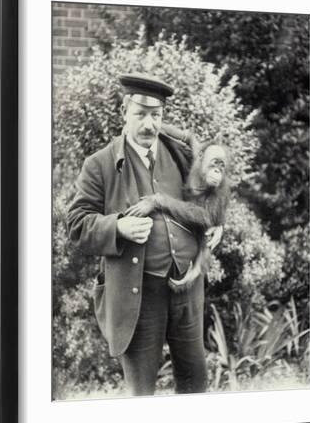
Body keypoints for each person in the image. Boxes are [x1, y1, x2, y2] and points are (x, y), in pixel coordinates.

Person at [67, 73, 207, 396]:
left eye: (155, 115)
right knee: (142, 394)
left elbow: (203, 198)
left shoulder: (179, 154)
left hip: (187, 288)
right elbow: (77, 223)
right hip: (139, 294)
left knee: (195, 383)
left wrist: (214, 224)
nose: (148, 124)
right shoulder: (99, 164)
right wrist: (118, 226)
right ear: (124, 112)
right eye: (140, 114)